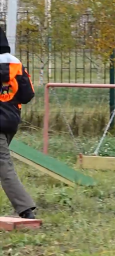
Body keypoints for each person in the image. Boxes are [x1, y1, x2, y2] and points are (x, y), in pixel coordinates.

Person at [0, 27, 37, 219]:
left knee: (4, 166)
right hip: (11, 120)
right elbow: (27, 95)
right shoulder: (16, 65)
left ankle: (24, 207)